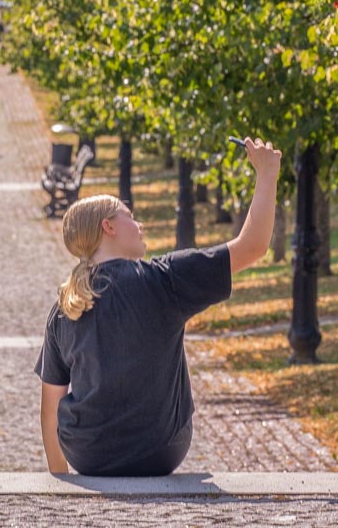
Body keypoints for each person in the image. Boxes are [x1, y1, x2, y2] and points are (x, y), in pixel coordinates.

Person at [36, 138, 281, 476]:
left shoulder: (66, 307)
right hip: (161, 451)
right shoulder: (164, 279)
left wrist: (61, 481)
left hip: (88, 454)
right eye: (129, 217)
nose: (140, 225)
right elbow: (252, 246)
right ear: (108, 227)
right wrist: (267, 174)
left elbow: (50, 407)